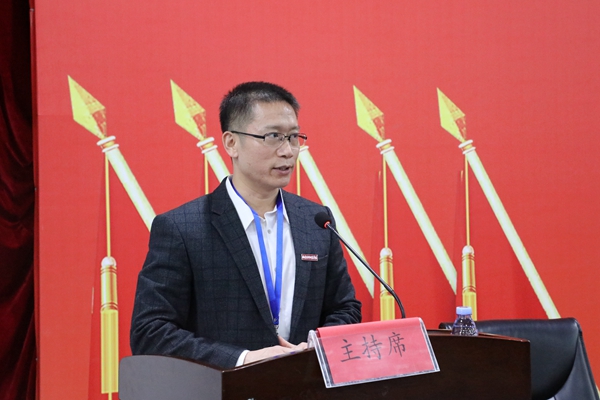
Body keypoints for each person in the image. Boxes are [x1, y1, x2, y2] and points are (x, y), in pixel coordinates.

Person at [130, 81, 361, 369]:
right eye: (273, 136)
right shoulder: (182, 228)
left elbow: (345, 307)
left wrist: (317, 345)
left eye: (293, 137)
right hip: (223, 386)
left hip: (304, 383)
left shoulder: (316, 221)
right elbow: (150, 332)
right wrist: (243, 360)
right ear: (231, 143)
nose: (288, 151)